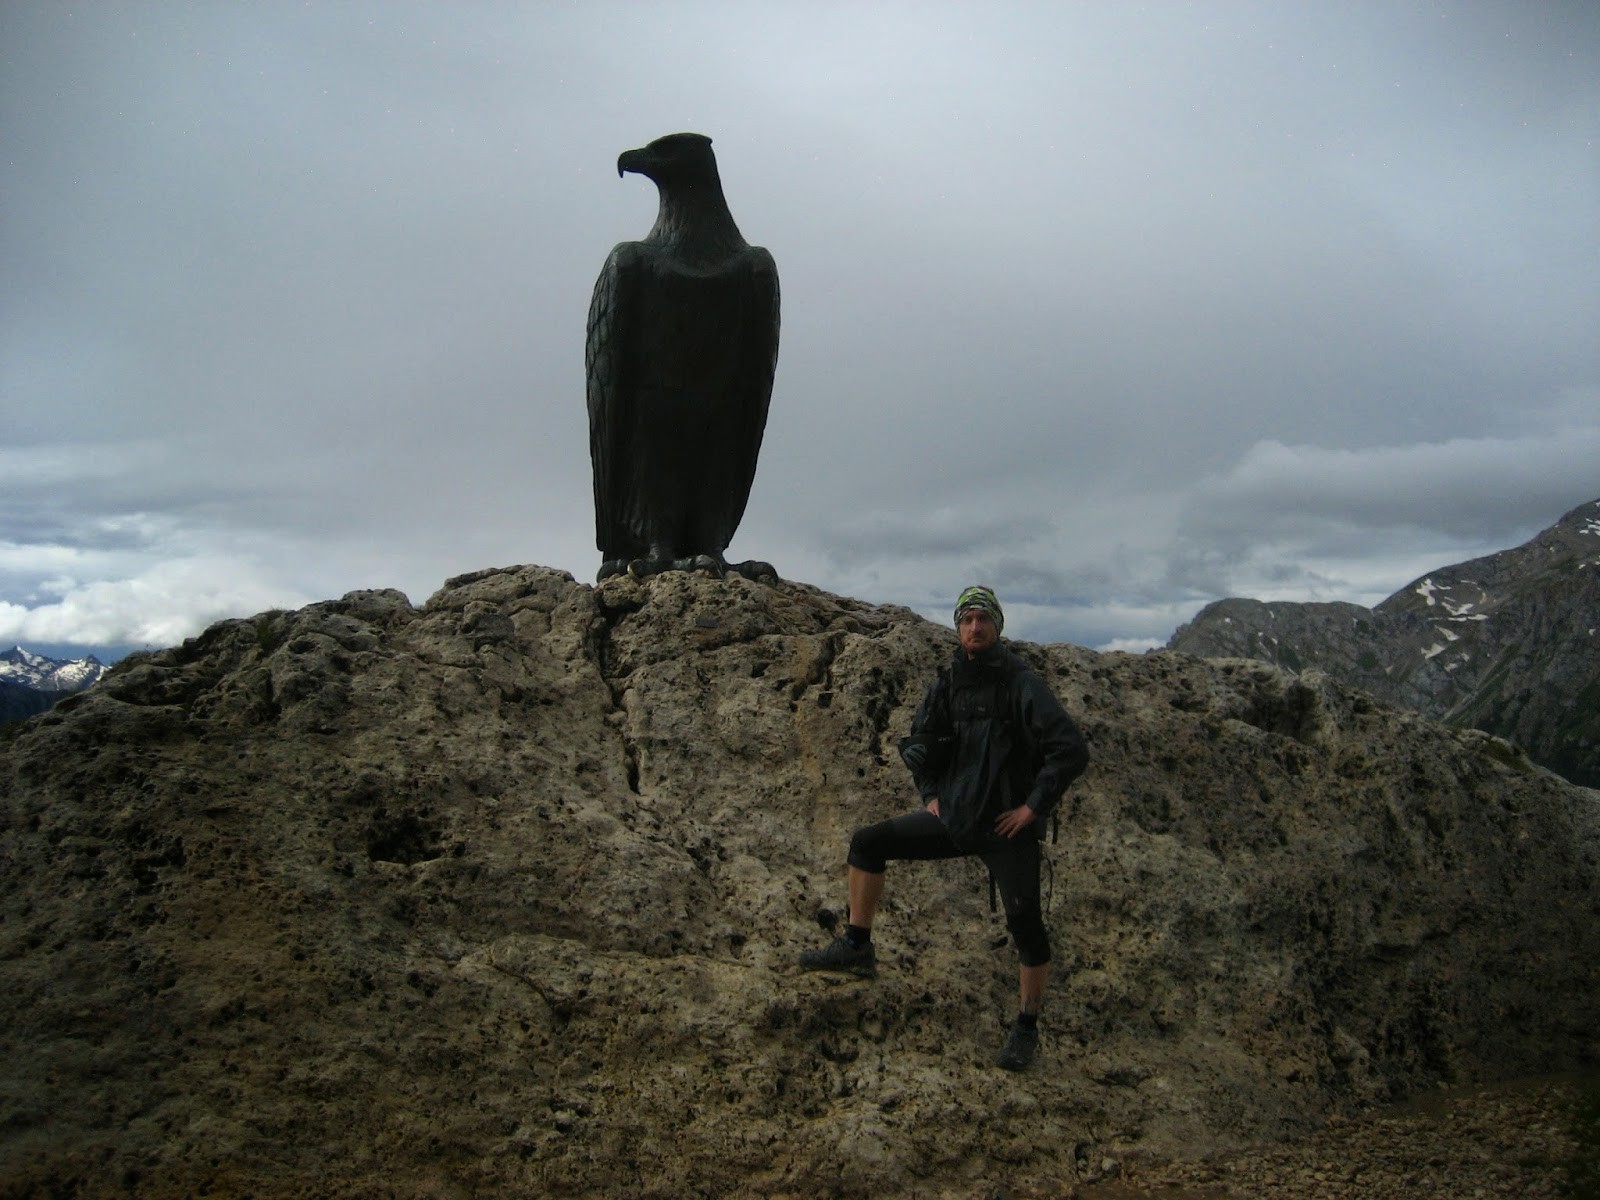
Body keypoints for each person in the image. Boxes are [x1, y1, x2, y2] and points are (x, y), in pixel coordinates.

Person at [798, 585, 1089, 1070]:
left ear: (998, 626)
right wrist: (930, 795)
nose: (975, 628)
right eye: (967, 620)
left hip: (1006, 830)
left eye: (983, 619)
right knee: (867, 843)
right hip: (954, 819)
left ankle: (1026, 1026)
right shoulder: (949, 682)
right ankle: (856, 945)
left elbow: (1071, 750)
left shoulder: (1021, 683)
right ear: (958, 628)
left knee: (1027, 926)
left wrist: (1031, 810)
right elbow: (920, 741)